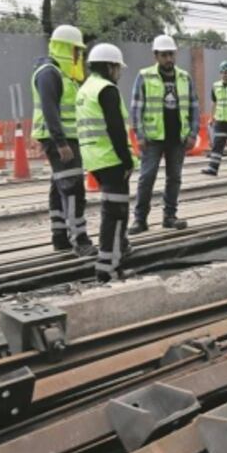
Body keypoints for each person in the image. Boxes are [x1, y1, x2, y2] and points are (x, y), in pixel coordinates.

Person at [30, 24, 96, 257]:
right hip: (61, 141)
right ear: (66, 48)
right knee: (72, 188)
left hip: (65, 139)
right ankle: (80, 239)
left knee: (59, 188)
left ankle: (59, 237)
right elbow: (50, 110)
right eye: (76, 50)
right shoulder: (49, 73)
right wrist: (61, 143)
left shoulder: (61, 74)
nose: (79, 55)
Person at [75, 43, 136, 283]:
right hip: (112, 160)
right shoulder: (107, 90)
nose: (119, 73)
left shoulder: (85, 89)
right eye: (118, 68)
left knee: (109, 214)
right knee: (117, 216)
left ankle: (106, 265)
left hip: (94, 160)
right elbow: (116, 130)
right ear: (110, 66)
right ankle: (110, 269)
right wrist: (127, 160)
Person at [128, 34, 199, 234]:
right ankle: (140, 219)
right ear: (156, 55)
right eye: (164, 55)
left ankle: (170, 216)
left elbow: (194, 106)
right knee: (147, 178)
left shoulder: (184, 77)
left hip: (178, 138)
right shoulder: (144, 76)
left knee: (174, 178)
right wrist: (139, 135)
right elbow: (136, 108)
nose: (169, 59)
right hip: (153, 139)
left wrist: (193, 133)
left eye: (171, 54)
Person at [202, 61, 227, 176]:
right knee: (217, 144)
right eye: (223, 73)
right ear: (220, 73)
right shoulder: (216, 86)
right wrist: (212, 117)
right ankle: (213, 168)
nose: (226, 75)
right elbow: (214, 103)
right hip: (220, 120)